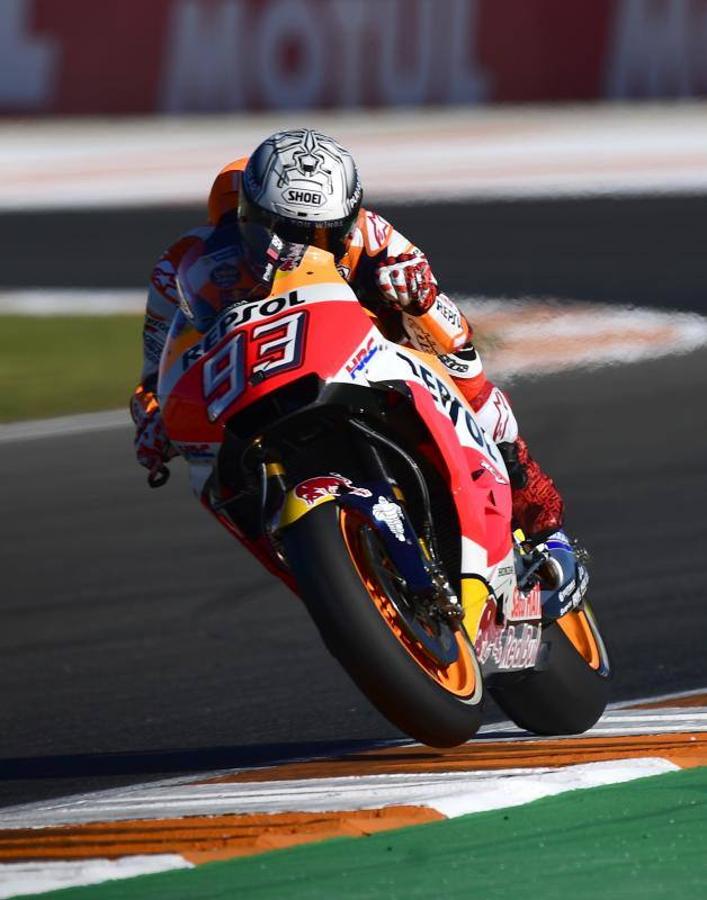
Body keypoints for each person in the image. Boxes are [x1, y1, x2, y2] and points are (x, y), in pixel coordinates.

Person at [131, 128, 563, 540]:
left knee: (460, 358)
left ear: (347, 219)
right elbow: (158, 368)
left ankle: (527, 490)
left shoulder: (373, 235)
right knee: (205, 472)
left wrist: (420, 297)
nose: (297, 246)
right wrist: (152, 415)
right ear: (248, 213)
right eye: (280, 229)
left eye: (321, 233)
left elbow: (450, 331)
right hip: (250, 381)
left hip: (360, 359)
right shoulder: (183, 265)